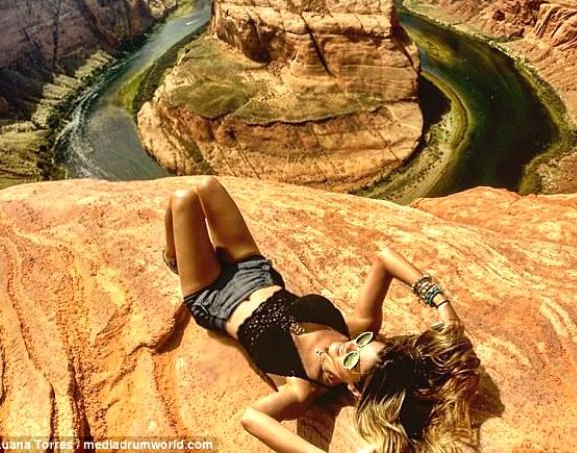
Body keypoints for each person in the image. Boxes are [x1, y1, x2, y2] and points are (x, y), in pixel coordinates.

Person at [163, 177, 480, 453]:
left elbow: (253, 418)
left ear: (354, 388)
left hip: (213, 296)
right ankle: (172, 250)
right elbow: (384, 259)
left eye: (355, 361)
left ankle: (173, 257)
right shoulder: (354, 329)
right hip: (253, 269)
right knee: (207, 186)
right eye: (362, 343)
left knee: (183, 200)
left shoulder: (301, 387)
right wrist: (440, 302)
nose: (349, 347)